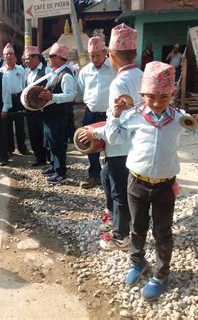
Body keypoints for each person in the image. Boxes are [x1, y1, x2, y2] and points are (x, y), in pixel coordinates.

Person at [104, 61, 198, 300]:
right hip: (137, 183)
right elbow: (114, 137)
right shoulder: (134, 116)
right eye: (151, 96)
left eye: (163, 96)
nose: (157, 102)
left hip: (164, 185)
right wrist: (116, 114)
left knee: (162, 231)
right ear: (142, 94)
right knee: (137, 227)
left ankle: (161, 274)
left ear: (172, 93)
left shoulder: (179, 119)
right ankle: (137, 262)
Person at [79, 23, 143, 250]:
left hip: (120, 146)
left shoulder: (119, 82)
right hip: (135, 144)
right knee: (106, 176)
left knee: (119, 191)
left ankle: (121, 236)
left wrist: (93, 132)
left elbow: (117, 125)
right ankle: (115, 220)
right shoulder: (142, 76)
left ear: (112, 56)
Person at [77, 36, 116, 189]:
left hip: (109, 115)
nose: (93, 59)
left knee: (110, 146)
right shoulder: (85, 71)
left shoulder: (114, 68)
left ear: (105, 52)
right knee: (90, 146)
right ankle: (94, 175)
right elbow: (81, 88)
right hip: (91, 114)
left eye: (97, 55)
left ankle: (110, 176)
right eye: (91, 55)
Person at [40, 43, 76, 185]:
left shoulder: (66, 75)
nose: (49, 59)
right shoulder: (54, 72)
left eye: (52, 56)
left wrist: (52, 97)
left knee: (58, 144)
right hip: (50, 114)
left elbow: (70, 96)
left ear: (60, 58)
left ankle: (61, 173)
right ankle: (54, 167)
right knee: (50, 142)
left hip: (59, 115)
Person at [0, 43, 31, 156]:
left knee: (20, 126)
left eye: (11, 54)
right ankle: (10, 149)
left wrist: (24, 102)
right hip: (6, 100)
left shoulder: (21, 70)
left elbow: (25, 86)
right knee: (7, 126)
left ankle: (22, 148)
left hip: (18, 99)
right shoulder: (1, 72)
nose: (9, 56)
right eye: (7, 54)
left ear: (15, 56)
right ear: (4, 57)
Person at [24, 45, 51, 167]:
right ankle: (39, 157)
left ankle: (51, 159)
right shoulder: (27, 73)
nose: (26, 61)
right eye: (25, 59)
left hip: (43, 109)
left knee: (46, 135)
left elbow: (51, 88)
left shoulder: (46, 70)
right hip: (30, 109)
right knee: (33, 134)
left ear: (37, 58)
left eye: (28, 59)